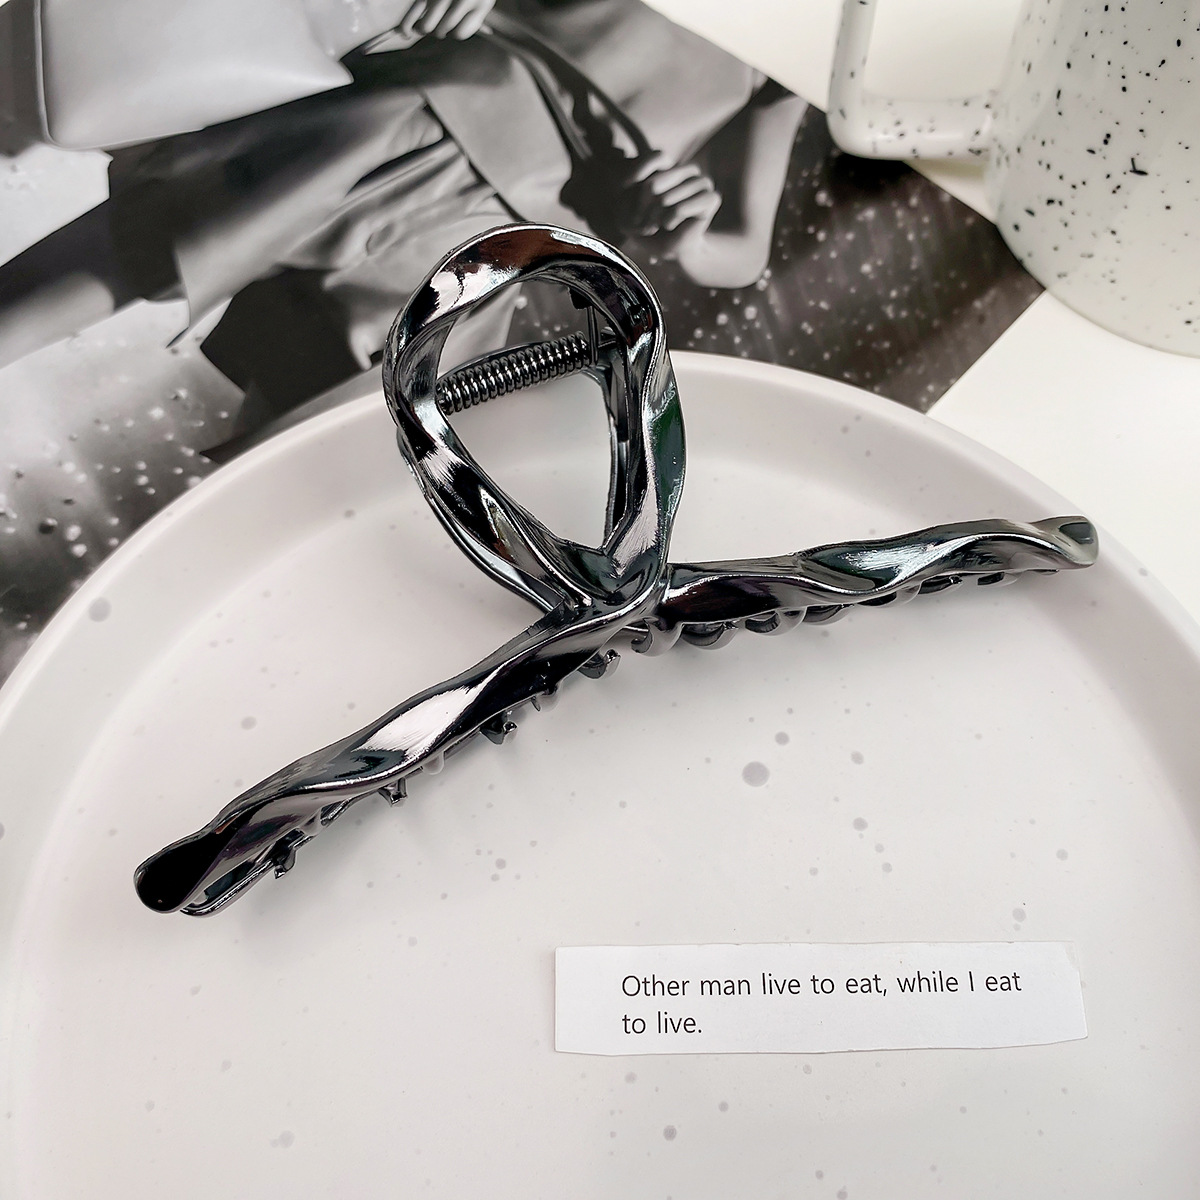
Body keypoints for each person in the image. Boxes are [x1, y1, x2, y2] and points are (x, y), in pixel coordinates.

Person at [0, 0, 805, 430]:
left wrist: (682, 234)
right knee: (141, 251)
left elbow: (740, 250)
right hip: (420, 108)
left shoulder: (800, 52)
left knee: (299, 457)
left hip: (499, 247)